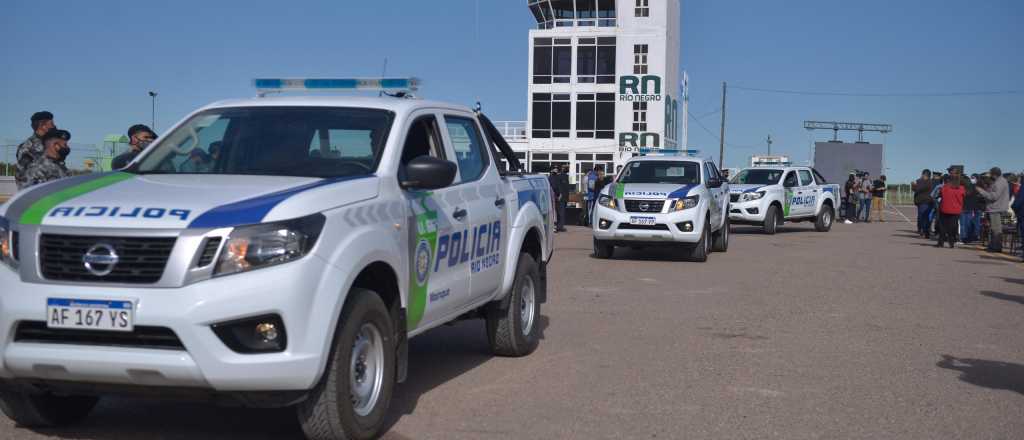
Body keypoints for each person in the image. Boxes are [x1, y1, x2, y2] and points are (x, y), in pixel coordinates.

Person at [15, 111, 56, 190]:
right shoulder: (27, 148)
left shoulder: (49, 146)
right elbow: (22, 177)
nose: (54, 126)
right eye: (51, 124)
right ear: (42, 126)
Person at [976, 167, 1010, 253]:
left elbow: (993, 196)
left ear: (994, 174)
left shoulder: (999, 183)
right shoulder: (1000, 181)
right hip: (995, 208)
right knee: (994, 229)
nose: (990, 176)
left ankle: (996, 247)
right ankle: (993, 245)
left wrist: (981, 191)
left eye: (991, 174)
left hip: (996, 209)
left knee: (996, 230)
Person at [936, 172, 965, 248]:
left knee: (942, 227)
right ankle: (951, 243)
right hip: (956, 210)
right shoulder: (961, 188)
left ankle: (940, 242)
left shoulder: (944, 187)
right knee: (952, 227)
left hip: (944, 209)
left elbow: (939, 195)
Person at [960, 174, 982, 244]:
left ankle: (964, 238)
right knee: (968, 224)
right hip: (970, 208)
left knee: (963, 224)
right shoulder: (975, 187)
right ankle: (968, 238)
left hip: (964, 207)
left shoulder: (962, 188)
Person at [912, 169, 934, 238]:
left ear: (926, 175)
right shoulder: (923, 181)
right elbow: (915, 189)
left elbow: (918, 189)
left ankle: (925, 232)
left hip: (925, 202)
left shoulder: (928, 182)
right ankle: (923, 231)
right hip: (921, 202)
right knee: (923, 217)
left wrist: (914, 184)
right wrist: (915, 184)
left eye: (923, 174)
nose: (921, 176)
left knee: (924, 218)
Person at [555, 165, 570, 232]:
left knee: (560, 212)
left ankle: (559, 226)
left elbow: (566, 187)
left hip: (564, 197)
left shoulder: (565, 176)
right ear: (562, 169)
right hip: (561, 197)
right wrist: (560, 194)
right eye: (566, 167)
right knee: (561, 212)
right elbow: (559, 186)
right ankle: (560, 227)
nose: (568, 168)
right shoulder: (560, 176)